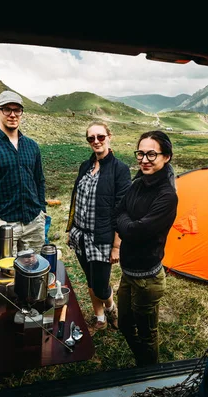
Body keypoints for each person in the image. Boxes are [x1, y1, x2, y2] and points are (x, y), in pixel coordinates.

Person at [115, 130, 178, 367]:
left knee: (147, 332)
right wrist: (128, 225)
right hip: (128, 272)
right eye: (140, 153)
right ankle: (142, 361)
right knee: (124, 324)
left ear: (166, 157)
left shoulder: (167, 195)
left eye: (152, 154)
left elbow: (136, 232)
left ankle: (148, 374)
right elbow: (118, 212)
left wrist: (127, 225)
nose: (144, 159)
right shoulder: (138, 182)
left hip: (147, 279)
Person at [66, 121, 131, 335]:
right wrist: (72, 229)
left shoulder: (120, 170)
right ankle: (100, 318)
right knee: (90, 281)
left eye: (100, 137)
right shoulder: (85, 166)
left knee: (101, 285)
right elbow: (78, 200)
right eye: (91, 138)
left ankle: (111, 308)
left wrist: (116, 246)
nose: (96, 141)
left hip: (102, 239)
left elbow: (122, 210)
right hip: (80, 235)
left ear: (109, 137)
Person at [0, 90, 47, 254]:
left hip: (34, 222)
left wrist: (42, 210)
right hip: (5, 226)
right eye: (6, 109)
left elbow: (39, 181)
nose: (12, 114)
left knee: (34, 270)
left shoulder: (32, 146)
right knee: (6, 274)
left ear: (21, 112)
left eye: (17, 110)